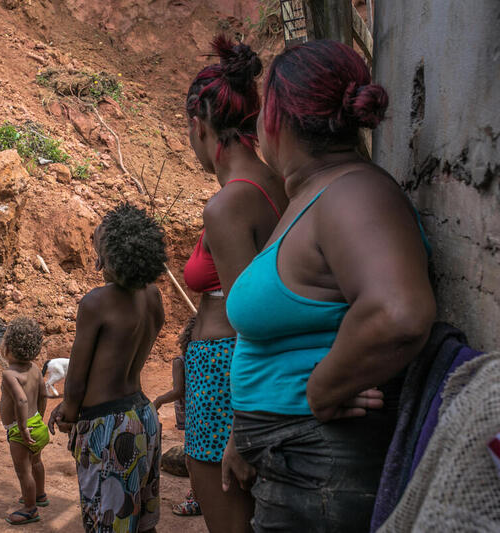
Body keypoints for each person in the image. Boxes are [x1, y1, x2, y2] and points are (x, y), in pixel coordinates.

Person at [222, 39, 436, 532]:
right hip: (295, 463)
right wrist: (245, 433)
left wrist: (322, 388)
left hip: (322, 466)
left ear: (276, 118)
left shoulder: (352, 193)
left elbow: (398, 312)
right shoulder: (314, 195)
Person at [181, 36, 287, 533]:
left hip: (224, 375)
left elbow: (251, 318)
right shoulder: (277, 184)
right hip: (242, 375)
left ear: (201, 126)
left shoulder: (227, 205)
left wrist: (236, 432)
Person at [48, 203, 166, 533]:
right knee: (142, 523)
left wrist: (69, 412)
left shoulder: (97, 303)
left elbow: (77, 378)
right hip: (143, 418)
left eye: (97, 246)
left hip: (108, 429)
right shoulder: (154, 297)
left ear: (107, 257)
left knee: (108, 524)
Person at [0, 317, 50, 525]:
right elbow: (43, 395)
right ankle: (40, 495)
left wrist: (21, 427)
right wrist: (38, 417)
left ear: (9, 348)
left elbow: (20, 399)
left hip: (20, 431)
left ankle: (30, 509)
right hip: (37, 424)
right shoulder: (36, 370)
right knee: (36, 462)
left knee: (24, 471)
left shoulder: (9, 374)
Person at [153, 315, 201, 517]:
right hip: (204, 412)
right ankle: (200, 489)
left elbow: (178, 391)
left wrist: (158, 400)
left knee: (191, 457)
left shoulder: (180, 361)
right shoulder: (203, 357)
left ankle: (198, 496)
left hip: (191, 413)